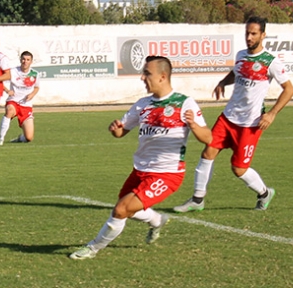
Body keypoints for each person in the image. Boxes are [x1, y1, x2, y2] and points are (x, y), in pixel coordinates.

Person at [69, 56, 212, 260]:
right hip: (140, 170)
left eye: (147, 73)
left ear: (163, 77)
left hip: (167, 174)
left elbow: (209, 138)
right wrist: (115, 129)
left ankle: (92, 248)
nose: (142, 78)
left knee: (121, 210)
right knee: (126, 208)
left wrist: (195, 126)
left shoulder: (184, 103)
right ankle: (156, 220)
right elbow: (122, 132)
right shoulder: (142, 104)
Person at [173, 16, 293, 213]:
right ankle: (197, 199)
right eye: (247, 33)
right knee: (208, 152)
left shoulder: (270, 62)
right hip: (228, 117)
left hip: (250, 123)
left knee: (238, 169)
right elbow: (235, 73)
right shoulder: (240, 55)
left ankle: (264, 193)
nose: (249, 37)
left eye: (254, 33)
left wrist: (271, 114)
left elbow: (289, 90)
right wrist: (223, 82)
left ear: (263, 35)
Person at [0, 51, 40, 146]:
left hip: (26, 106)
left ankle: (20, 138)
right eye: (23, 59)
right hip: (13, 101)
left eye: (28, 60)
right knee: (10, 111)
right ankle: (1, 138)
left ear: (31, 61)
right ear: (20, 60)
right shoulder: (13, 71)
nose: (25, 61)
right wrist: (8, 91)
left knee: (29, 138)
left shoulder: (34, 74)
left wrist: (32, 94)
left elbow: (36, 87)